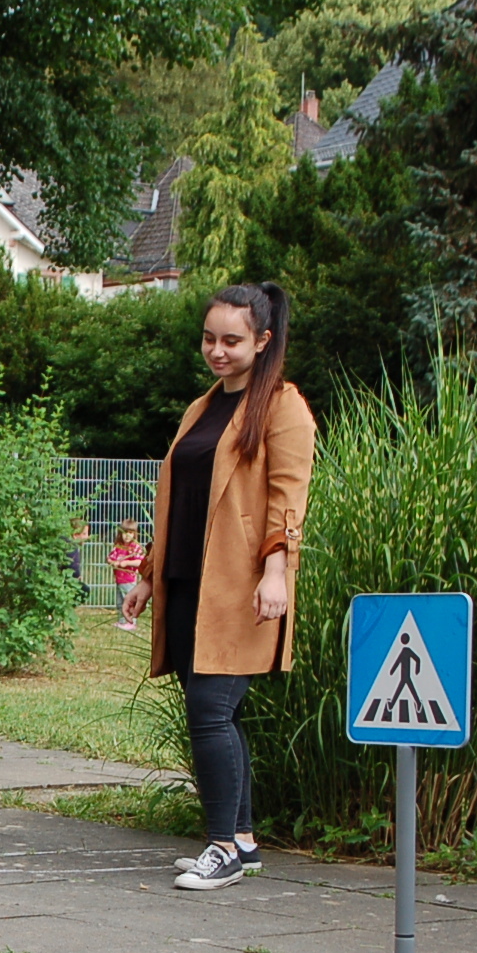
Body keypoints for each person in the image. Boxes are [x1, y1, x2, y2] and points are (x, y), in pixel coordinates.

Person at [123, 283, 314, 890]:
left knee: (211, 712)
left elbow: (289, 502)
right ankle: (245, 839)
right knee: (217, 716)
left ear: (262, 340)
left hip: (238, 590)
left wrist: (277, 571)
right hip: (185, 585)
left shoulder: (284, 408)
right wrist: (149, 576)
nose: (217, 350)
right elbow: (178, 501)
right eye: (210, 338)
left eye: (232, 340)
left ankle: (222, 846)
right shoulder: (202, 408)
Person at [108, 521, 147, 631]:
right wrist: (112, 562)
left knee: (129, 601)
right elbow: (110, 558)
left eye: (130, 533)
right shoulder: (118, 546)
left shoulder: (135, 548)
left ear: (135, 534)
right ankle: (122, 621)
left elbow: (140, 562)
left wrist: (126, 563)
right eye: (125, 533)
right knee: (120, 602)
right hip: (119, 580)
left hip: (129, 580)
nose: (127, 536)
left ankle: (131, 622)